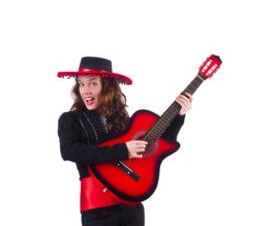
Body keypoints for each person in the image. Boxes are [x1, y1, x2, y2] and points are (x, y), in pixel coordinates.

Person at [58, 56, 192, 226]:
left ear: (107, 88)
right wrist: (123, 150)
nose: (85, 91)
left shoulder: (122, 119)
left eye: (93, 83)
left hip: (132, 207)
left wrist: (179, 117)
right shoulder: (70, 119)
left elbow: (159, 146)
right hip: (97, 208)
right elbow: (69, 151)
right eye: (81, 83)